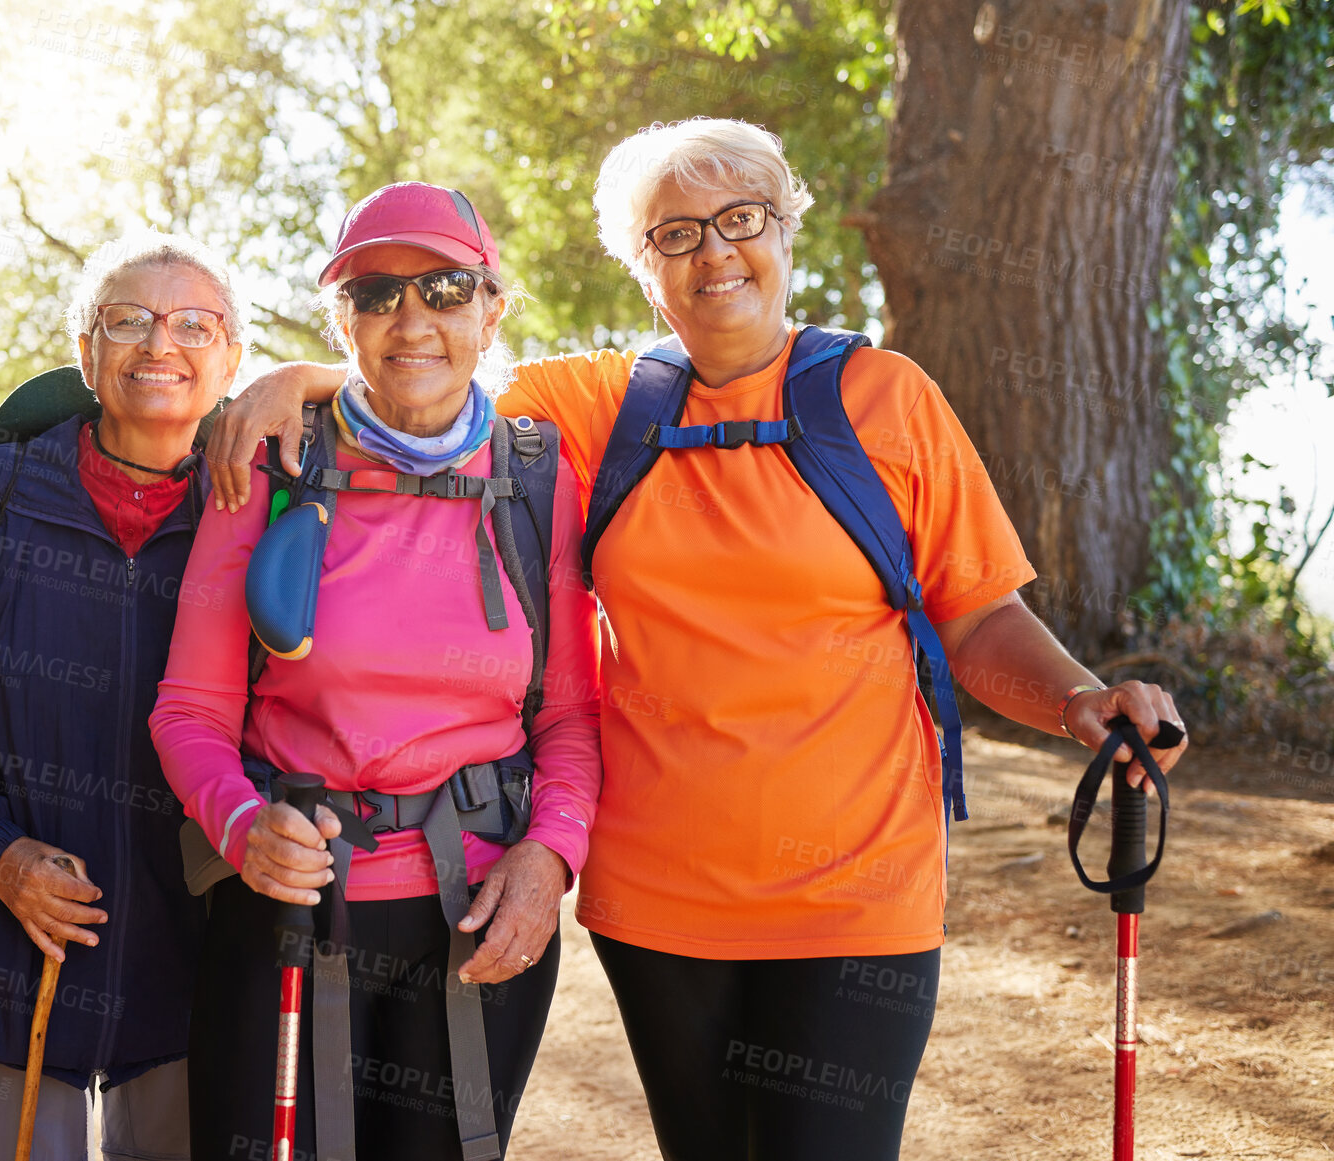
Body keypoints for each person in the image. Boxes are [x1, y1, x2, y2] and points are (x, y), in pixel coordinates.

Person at [204, 119, 1189, 1161]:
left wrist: (1079, 699)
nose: (714, 252)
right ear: (641, 265)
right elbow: (424, 383)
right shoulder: (587, 407)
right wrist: (299, 379)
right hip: (658, 901)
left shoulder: (886, 400)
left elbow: (978, 614)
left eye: (739, 219)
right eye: (673, 235)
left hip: (855, 893)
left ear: (784, 228)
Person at [149, 182, 601, 1161]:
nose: (411, 319)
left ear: (490, 310)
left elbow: (569, 715)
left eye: (443, 289)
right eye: (375, 292)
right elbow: (188, 709)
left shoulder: (534, 476)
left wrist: (548, 857)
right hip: (286, 911)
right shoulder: (270, 461)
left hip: (479, 918)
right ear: (340, 317)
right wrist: (239, 826)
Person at [0, 232, 242, 1160]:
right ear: (85, 353)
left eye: (195, 324)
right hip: (5, 955)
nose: (160, 345)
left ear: (232, 360)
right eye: (127, 321)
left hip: (199, 961)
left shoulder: (255, 513)